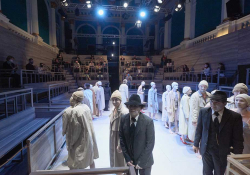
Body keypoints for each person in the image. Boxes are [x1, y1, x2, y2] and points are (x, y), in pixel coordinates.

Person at [193, 91, 244, 175]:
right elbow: (199, 129)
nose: (213, 104)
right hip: (206, 148)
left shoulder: (234, 117)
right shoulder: (204, 112)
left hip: (222, 151)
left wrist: (237, 155)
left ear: (224, 103)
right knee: (206, 172)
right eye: (211, 101)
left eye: (217, 102)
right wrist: (195, 144)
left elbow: (238, 138)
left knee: (219, 172)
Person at [119, 94, 155, 175]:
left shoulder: (148, 122)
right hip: (130, 162)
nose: (132, 108)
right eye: (130, 106)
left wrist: (142, 161)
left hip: (145, 161)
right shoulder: (123, 119)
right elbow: (122, 139)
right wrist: (127, 158)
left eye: (135, 106)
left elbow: (150, 143)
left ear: (140, 108)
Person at [66, 91, 99, 169]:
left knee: (78, 161)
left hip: (81, 139)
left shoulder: (75, 110)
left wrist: (71, 142)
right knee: (90, 158)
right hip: (89, 135)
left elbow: (76, 129)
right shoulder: (86, 107)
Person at [109, 90, 128, 168]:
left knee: (120, 160)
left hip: (119, 138)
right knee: (114, 158)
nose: (114, 102)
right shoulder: (113, 110)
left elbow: (124, 130)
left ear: (120, 100)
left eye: (116, 100)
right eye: (113, 100)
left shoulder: (124, 112)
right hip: (113, 136)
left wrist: (120, 144)